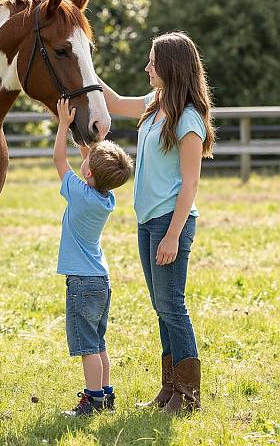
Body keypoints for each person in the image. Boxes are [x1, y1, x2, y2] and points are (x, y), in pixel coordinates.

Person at [97, 31, 216, 413]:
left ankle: (188, 395)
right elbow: (113, 103)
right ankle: (170, 389)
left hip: (170, 222)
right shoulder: (155, 103)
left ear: (170, 66)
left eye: (152, 61)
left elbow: (191, 184)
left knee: (172, 306)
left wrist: (173, 235)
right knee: (161, 306)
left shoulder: (190, 119)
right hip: (147, 221)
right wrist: (80, 64)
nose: (147, 67)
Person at [53, 98, 133, 417]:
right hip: (100, 280)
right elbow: (90, 162)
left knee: (88, 347)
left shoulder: (80, 194)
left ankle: (93, 400)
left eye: (87, 162)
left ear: (88, 174)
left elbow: (60, 160)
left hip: (83, 283)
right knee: (99, 343)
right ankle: (106, 394)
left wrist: (62, 125)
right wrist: (91, 141)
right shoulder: (104, 197)